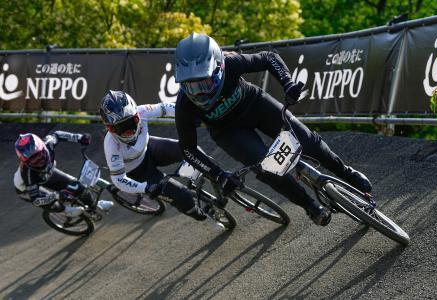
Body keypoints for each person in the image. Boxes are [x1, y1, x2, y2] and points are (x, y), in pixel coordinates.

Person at [173, 33, 373, 226]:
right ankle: (309, 205)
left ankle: (346, 173)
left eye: (205, 82)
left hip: (255, 105)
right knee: (268, 169)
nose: (199, 93)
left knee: (309, 142)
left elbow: (269, 58)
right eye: (190, 87)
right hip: (229, 133)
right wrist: (218, 175)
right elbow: (188, 149)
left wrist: (288, 84)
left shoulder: (232, 63)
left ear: (219, 68)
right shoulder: (184, 106)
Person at [99, 90, 213, 223]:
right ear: (110, 129)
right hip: (138, 171)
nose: (127, 132)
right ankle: (195, 212)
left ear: (137, 116)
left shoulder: (142, 111)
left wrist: (189, 116)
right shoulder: (110, 144)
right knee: (183, 196)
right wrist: (144, 188)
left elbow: (166, 107)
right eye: (119, 128)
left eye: (130, 123)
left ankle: (210, 175)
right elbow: (118, 179)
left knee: (194, 152)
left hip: (150, 149)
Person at [14, 131, 114, 217]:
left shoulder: (49, 142)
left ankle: (95, 205)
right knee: (53, 204)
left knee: (78, 186)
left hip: (46, 174)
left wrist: (79, 138)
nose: (38, 161)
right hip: (25, 189)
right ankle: (65, 211)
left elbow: (58, 134)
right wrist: (56, 196)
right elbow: (36, 199)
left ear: (43, 147)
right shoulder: (27, 174)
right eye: (32, 160)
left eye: (38, 155)